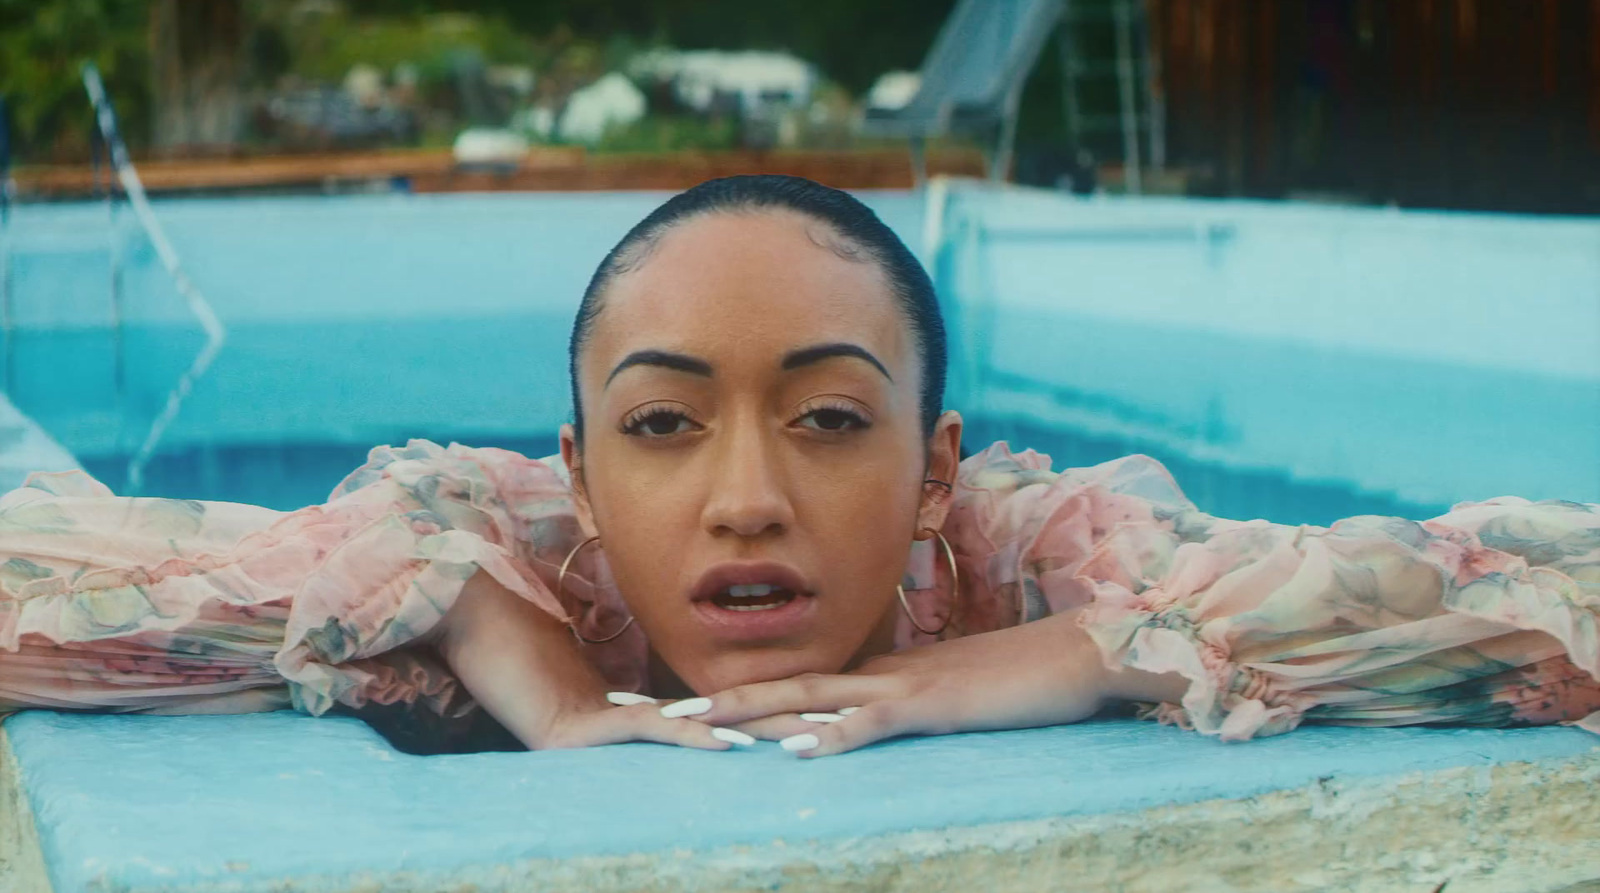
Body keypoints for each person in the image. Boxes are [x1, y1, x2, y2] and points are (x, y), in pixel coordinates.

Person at [2, 175, 1597, 757]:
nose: (744, 493)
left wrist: (1016, 664)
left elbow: (1548, 582)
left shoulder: (1028, 541)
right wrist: (522, 665)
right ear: (579, 463)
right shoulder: (517, 555)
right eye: (660, 422)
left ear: (930, 468)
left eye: (833, 417)